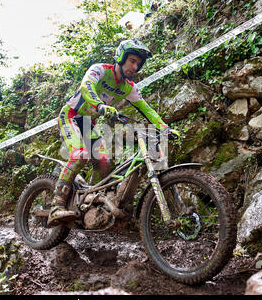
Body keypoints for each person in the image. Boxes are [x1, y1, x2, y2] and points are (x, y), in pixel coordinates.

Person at [47, 39, 180, 227]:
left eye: (138, 63)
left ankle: (89, 199)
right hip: (70, 116)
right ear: (121, 57)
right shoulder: (100, 69)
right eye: (132, 61)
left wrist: (165, 128)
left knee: (104, 161)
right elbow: (86, 87)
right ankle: (56, 206)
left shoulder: (129, 87)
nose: (135, 66)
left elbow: (147, 109)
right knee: (80, 155)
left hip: (88, 123)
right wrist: (100, 106)